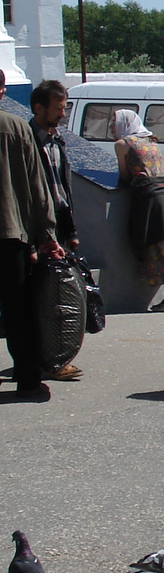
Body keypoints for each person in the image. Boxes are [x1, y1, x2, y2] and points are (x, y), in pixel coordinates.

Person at [0, 83, 64, 401]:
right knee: (18, 309)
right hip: (11, 235)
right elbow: (38, 185)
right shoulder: (15, 127)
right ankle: (27, 377)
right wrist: (47, 235)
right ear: (2, 91)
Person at [29, 80, 82, 381]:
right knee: (40, 298)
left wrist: (70, 228)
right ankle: (42, 359)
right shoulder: (28, 140)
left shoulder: (56, 140)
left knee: (60, 295)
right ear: (39, 108)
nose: (62, 115)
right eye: (58, 109)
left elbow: (63, 189)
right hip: (38, 229)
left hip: (59, 226)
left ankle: (57, 356)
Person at [112, 110, 164, 312]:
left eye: (114, 123)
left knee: (156, 245)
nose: (111, 128)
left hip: (148, 197)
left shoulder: (123, 145)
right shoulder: (151, 141)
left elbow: (124, 177)